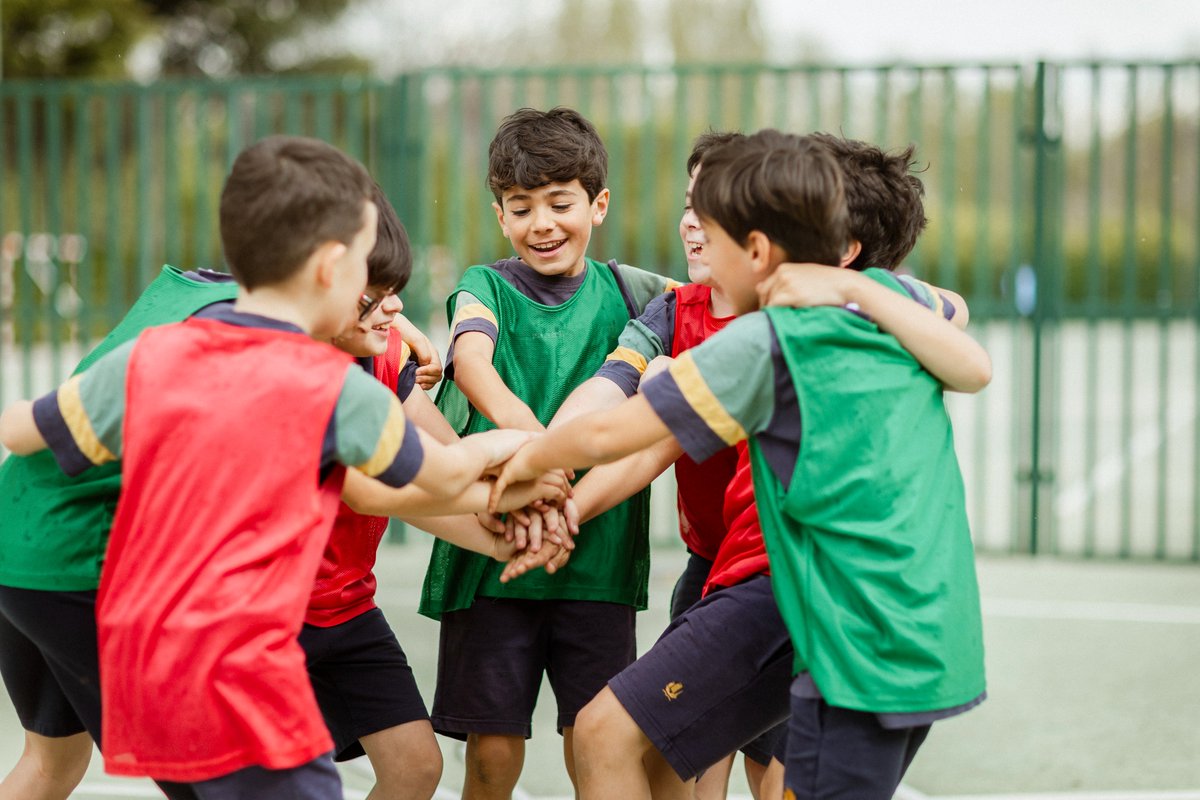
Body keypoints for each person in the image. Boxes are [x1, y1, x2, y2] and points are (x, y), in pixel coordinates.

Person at [0, 134, 533, 800]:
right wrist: (515, 445)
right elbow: (445, 476)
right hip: (241, 677)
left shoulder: (157, 355)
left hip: (146, 641)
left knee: (60, 765)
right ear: (332, 268)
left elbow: (21, 429)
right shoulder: (333, 388)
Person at [489, 129, 989, 800]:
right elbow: (973, 358)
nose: (693, 233)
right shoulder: (888, 313)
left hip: (848, 637)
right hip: (924, 628)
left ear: (757, 249)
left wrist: (521, 463)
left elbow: (610, 432)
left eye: (712, 224)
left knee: (608, 734)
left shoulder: (771, 341)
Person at [417, 106, 678, 798]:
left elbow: (717, 308)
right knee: (493, 751)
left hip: (595, 556)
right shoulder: (484, 285)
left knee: (595, 741)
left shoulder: (637, 293)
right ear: (500, 214)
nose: (542, 224)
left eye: (560, 204)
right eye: (521, 207)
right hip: (493, 548)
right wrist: (541, 454)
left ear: (598, 204)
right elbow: (471, 362)